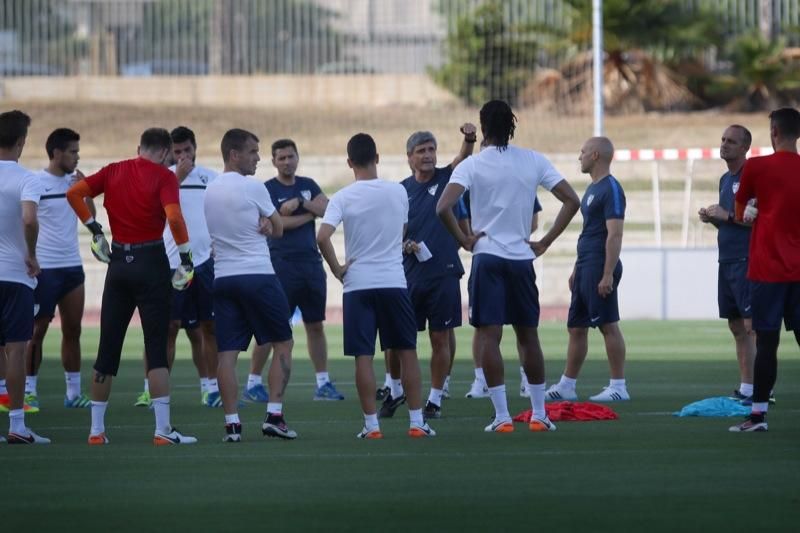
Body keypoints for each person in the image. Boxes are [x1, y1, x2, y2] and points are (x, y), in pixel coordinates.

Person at [436, 100, 580, 433]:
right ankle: (539, 414)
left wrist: (464, 239)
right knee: (528, 336)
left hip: (487, 256)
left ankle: (502, 417)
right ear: (512, 126)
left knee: (489, 337)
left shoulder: (472, 165)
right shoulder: (533, 160)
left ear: (483, 127)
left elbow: (443, 206)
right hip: (521, 258)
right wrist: (545, 242)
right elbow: (572, 200)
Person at [66, 127, 197, 445]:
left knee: (107, 347)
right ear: (166, 152)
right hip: (151, 262)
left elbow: (74, 194)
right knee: (156, 348)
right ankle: (162, 430)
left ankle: (96, 431)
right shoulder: (165, 177)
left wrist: (95, 230)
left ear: (140, 147)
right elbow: (175, 218)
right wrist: (186, 258)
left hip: (119, 263)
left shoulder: (113, 170)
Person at [317, 133, 435, 439]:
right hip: (393, 281)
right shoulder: (398, 192)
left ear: (349, 163)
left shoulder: (343, 196)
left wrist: (338, 270)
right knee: (407, 351)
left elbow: (322, 236)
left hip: (357, 285)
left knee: (364, 357)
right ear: (377, 158)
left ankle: (371, 425)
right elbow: (402, 229)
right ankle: (416, 422)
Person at [204, 128, 297, 443]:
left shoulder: (209, 190)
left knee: (227, 354)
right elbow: (280, 229)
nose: (258, 158)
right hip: (258, 276)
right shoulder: (252, 187)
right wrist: (271, 224)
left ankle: (232, 425)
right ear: (234, 155)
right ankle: (274, 415)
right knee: (283, 343)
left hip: (223, 278)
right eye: (253, 152)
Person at [378, 125, 475, 421]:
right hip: (407, 275)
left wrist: (469, 139)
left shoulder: (448, 178)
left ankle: (434, 399)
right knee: (397, 340)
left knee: (440, 338)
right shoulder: (401, 190)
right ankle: (395, 390)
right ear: (409, 157)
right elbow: (393, 230)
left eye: (431, 149)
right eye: (421, 151)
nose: (428, 155)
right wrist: (403, 243)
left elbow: (462, 158)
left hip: (443, 272)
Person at [245, 138, 344, 403]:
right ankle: (253, 383)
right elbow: (275, 225)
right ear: (274, 161)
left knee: (315, 325)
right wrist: (303, 214)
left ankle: (323, 383)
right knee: (272, 327)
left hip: (311, 265)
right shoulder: (266, 188)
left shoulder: (307, 185)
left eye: (291, 156)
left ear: (297, 157)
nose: (287, 162)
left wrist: (301, 202)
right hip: (280, 266)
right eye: (282, 158)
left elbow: (328, 209)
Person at [134, 126, 221, 408]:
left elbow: (223, 212)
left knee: (208, 328)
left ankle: (211, 388)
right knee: (165, 329)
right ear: (168, 152)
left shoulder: (211, 178)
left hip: (205, 264)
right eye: (177, 151)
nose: (183, 155)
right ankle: (152, 389)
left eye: (187, 150)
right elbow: (145, 210)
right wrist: (176, 179)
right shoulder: (160, 178)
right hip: (169, 266)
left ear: (195, 148)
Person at [730, 107, 800, 432]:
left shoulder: (756, 167)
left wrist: (754, 210)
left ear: (773, 132)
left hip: (767, 272)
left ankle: (758, 416)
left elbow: (740, 210)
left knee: (767, 344)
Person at [545, 137, 629, 402]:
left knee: (607, 325)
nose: (578, 156)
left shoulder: (611, 189)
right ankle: (567, 384)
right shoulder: (593, 188)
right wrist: (576, 269)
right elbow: (589, 231)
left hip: (599, 264)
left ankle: (618, 386)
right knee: (576, 327)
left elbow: (614, 235)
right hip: (585, 265)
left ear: (595, 155)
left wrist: (607, 273)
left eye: (582, 152)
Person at [20, 129, 95, 411]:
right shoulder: (36, 182)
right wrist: (30, 257)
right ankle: (29, 392)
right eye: (73, 151)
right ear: (57, 153)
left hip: (72, 267)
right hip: (45, 270)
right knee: (36, 332)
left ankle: (73, 393)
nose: (78, 156)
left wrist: (85, 192)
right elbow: (25, 221)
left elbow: (90, 218)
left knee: (73, 331)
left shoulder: (74, 182)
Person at [462, 189, 544, 399]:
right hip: (508, 257)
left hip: (500, 256)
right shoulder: (476, 182)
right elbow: (461, 215)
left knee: (518, 328)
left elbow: (534, 221)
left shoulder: (515, 176)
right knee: (486, 326)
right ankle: (482, 380)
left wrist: (499, 233)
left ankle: (522, 382)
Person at [0, 109, 50, 443]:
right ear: (21, 142)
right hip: (15, 275)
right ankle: (17, 426)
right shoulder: (26, 178)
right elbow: (30, 219)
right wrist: (31, 253)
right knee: (16, 350)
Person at [698, 125, 758, 402]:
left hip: (748, 259)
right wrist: (713, 219)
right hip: (727, 259)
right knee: (736, 326)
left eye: (731, 141)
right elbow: (730, 224)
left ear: (745, 147)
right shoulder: (724, 179)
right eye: (723, 139)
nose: (724, 145)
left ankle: (759, 388)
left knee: (750, 326)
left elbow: (757, 219)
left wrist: (726, 215)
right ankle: (746, 388)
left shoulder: (753, 176)